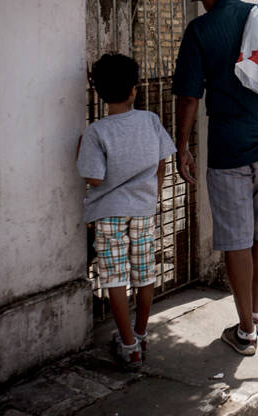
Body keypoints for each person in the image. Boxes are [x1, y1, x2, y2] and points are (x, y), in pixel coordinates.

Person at [172, 0, 258, 356]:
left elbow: (189, 95)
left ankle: (245, 331)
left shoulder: (201, 29)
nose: (202, 2)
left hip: (230, 151)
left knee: (236, 241)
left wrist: (182, 145)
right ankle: (256, 311)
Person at [77, 53, 176, 369]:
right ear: (135, 89)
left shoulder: (96, 132)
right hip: (143, 210)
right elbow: (162, 162)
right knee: (145, 271)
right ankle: (142, 333)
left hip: (108, 213)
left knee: (114, 275)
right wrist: (153, 194)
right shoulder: (150, 120)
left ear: (99, 92)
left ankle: (128, 344)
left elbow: (94, 177)